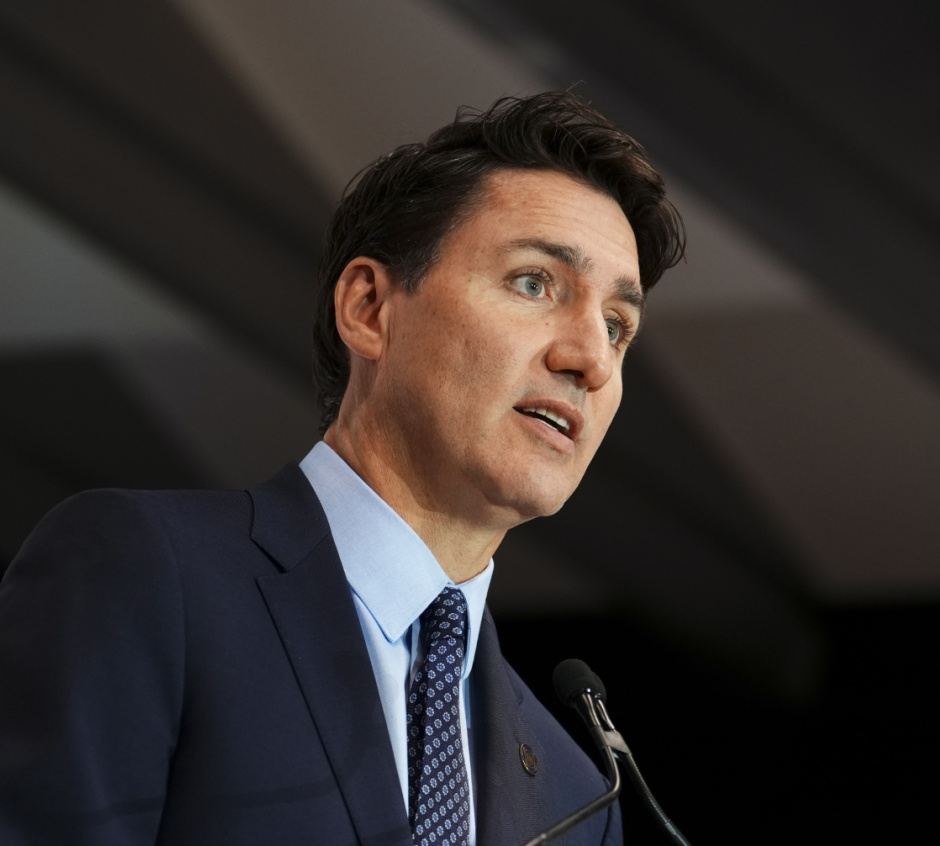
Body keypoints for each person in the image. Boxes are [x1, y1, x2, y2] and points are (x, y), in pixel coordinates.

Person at [0, 91, 684, 846]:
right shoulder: (146, 572)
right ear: (368, 308)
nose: (591, 359)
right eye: (534, 282)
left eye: (617, 327)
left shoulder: (580, 796)